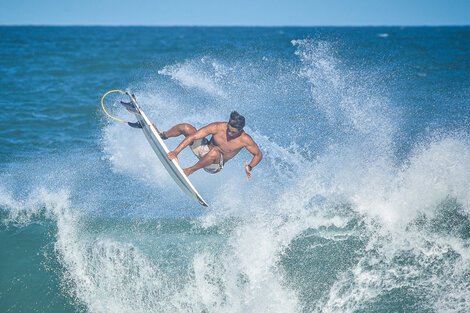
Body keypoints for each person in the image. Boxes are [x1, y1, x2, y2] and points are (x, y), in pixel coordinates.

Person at [153, 111, 262, 180]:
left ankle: (189, 171)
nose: (229, 134)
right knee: (186, 127)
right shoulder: (218, 127)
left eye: (233, 133)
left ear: (241, 130)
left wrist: (250, 167)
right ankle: (162, 135)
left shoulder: (245, 140)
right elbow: (193, 137)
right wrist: (176, 152)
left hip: (214, 165)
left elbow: (258, 155)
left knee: (215, 151)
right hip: (203, 150)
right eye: (228, 130)